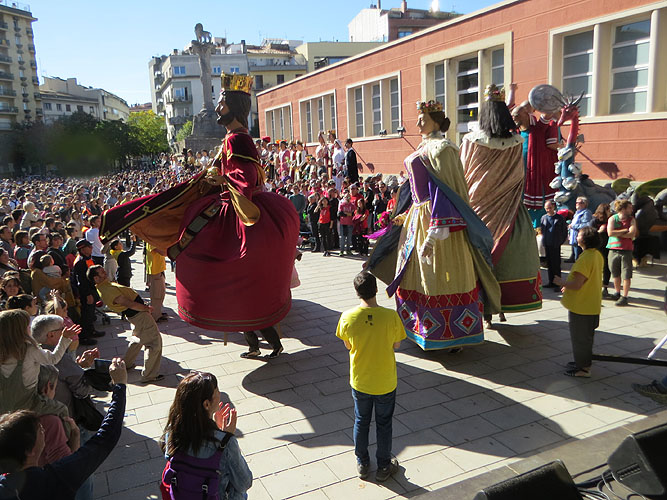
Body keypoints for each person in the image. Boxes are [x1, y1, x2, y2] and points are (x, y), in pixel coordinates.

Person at [99, 73, 300, 333]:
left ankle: (229, 308)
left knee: (201, 250)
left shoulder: (236, 138)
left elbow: (246, 175)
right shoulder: (234, 136)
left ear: (235, 106)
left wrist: (223, 179)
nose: (217, 108)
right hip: (231, 198)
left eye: (222, 103)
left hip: (240, 204)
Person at [368, 100, 500, 350]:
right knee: (416, 274)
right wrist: (404, 215)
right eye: (419, 118)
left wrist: (435, 232)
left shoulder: (443, 149)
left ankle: (452, 336)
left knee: (439, 273)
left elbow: (447, 193)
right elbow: (416, 190)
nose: (418, 122)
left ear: (436, 122)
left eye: (423, 118)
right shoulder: (425, 146)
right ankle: (419, 328)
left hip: (436, 221)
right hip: (418, 218)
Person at [460, 85, 541, 323]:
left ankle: (484, 308)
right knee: (507, 256)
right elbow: (519, 173)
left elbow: (464, 172)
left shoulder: (471, 140)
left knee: (475, 256)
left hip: (477, 205)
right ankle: (502, 306)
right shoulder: (516, 141)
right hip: (508, 206)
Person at [0, 358, 128, 500]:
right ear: (30, 451)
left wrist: (74, 444)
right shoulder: (55, 478)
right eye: (39, 429)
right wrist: (119, 386)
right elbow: (105, 438)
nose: (43, 428)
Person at [336, 272, 404, 482]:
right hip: (385, 380)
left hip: (361, 380)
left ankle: (362, 463)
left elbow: (348, 345)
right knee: (384, 423)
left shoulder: (347, 317)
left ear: (357, 292)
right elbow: (397, 344)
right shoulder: (391, 316)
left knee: (361, 420)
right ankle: (383, 466)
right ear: (376, 289)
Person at [160, 371, 252, 499]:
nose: (220, 394)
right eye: (217, 391)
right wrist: (226, 437)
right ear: (207, 404)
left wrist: (218, 431)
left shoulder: (172, 432)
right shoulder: (225, 442)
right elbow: (244, 483)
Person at [87, 265, 164, 384]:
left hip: (135, 316)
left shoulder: (105, 286)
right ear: (96, 278)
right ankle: (149, 375)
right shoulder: (107, 290)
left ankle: (126, 363)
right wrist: (145, 308)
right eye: (101, 272)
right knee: (154, 343)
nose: (105, 272)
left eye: (103, 270)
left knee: (137, 339)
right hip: (139, 315)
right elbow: (128, 303)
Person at [0, 309, 80, 418]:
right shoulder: (29, 350)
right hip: (29, 402)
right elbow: (53, 359)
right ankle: (69, 429)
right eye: (28, 327)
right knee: (62, 409)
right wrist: (65, 338)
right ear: (21, 331)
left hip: (4, 407)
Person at [554, 226, 603, 378]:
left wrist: (561, 282)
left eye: (579, 235)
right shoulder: (596, 255)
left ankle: (583, 368)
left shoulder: (585, 258)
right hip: (591, 303)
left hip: (582, 306)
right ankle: (582, 362)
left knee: (580, 339)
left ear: (585, 240)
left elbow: (577, 284)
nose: (576, 236)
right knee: (586, 337)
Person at [71, 240, 103, 345]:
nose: (91, 248)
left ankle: (91, 331)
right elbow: (82, 281)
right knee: (86, 315)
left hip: (92, 289)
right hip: (86, 292)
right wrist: (88, 294)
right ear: (83, 249)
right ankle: (83, 337)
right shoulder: (80, 262)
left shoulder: (88, 259)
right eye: (89, 247)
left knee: (91, 313)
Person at [606, 199, 637, 307]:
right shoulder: (612, 219)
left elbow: (632, 234)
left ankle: (625, 296)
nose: (631, 210)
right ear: (623, 209)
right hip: (613, 249)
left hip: (626, 250)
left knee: (626, 274)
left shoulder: (632, 220)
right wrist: (624, 231)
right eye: (629, 208)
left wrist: (618, 233)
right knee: (615, 273)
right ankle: (617, 292)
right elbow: (610, 233)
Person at [540, 200, 568, 289]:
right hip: (547, 244)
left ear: (553, 207)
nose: (548, 210)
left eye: (549, 208)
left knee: (556, 265)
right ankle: (551, 282)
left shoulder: (559, 218)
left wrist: (560, 241)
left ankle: (557, 283)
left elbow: (564, 232)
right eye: (546, 208)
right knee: (549, 264)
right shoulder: (544, 218)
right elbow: (542, 230)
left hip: (555, 244)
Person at [592, 203, 612, 298]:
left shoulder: (610, 219)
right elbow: (590, 234)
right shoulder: (594, 220)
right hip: (598, 247)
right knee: (598, 267)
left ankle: (605, 287)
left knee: (607, 267)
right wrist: (600, 231)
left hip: (608, 246)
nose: (610, 211)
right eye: (608, 209)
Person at [144, 242, 167, 322]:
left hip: (158, 270)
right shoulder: (151, 241)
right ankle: (155, 316)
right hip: (155, 271)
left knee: (160, 293)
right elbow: (163, 252)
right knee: (157, 295)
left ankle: (158, 313)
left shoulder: (152, 240)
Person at [567, 196, 593, 262]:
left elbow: (586, 225)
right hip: (574, 238)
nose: (577, 204)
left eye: (580, 203)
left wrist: (574, 226)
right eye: (576, 202)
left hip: (580, 238)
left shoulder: (586, 213)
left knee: (578, 259)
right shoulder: (577, 213)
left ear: (585, 204)